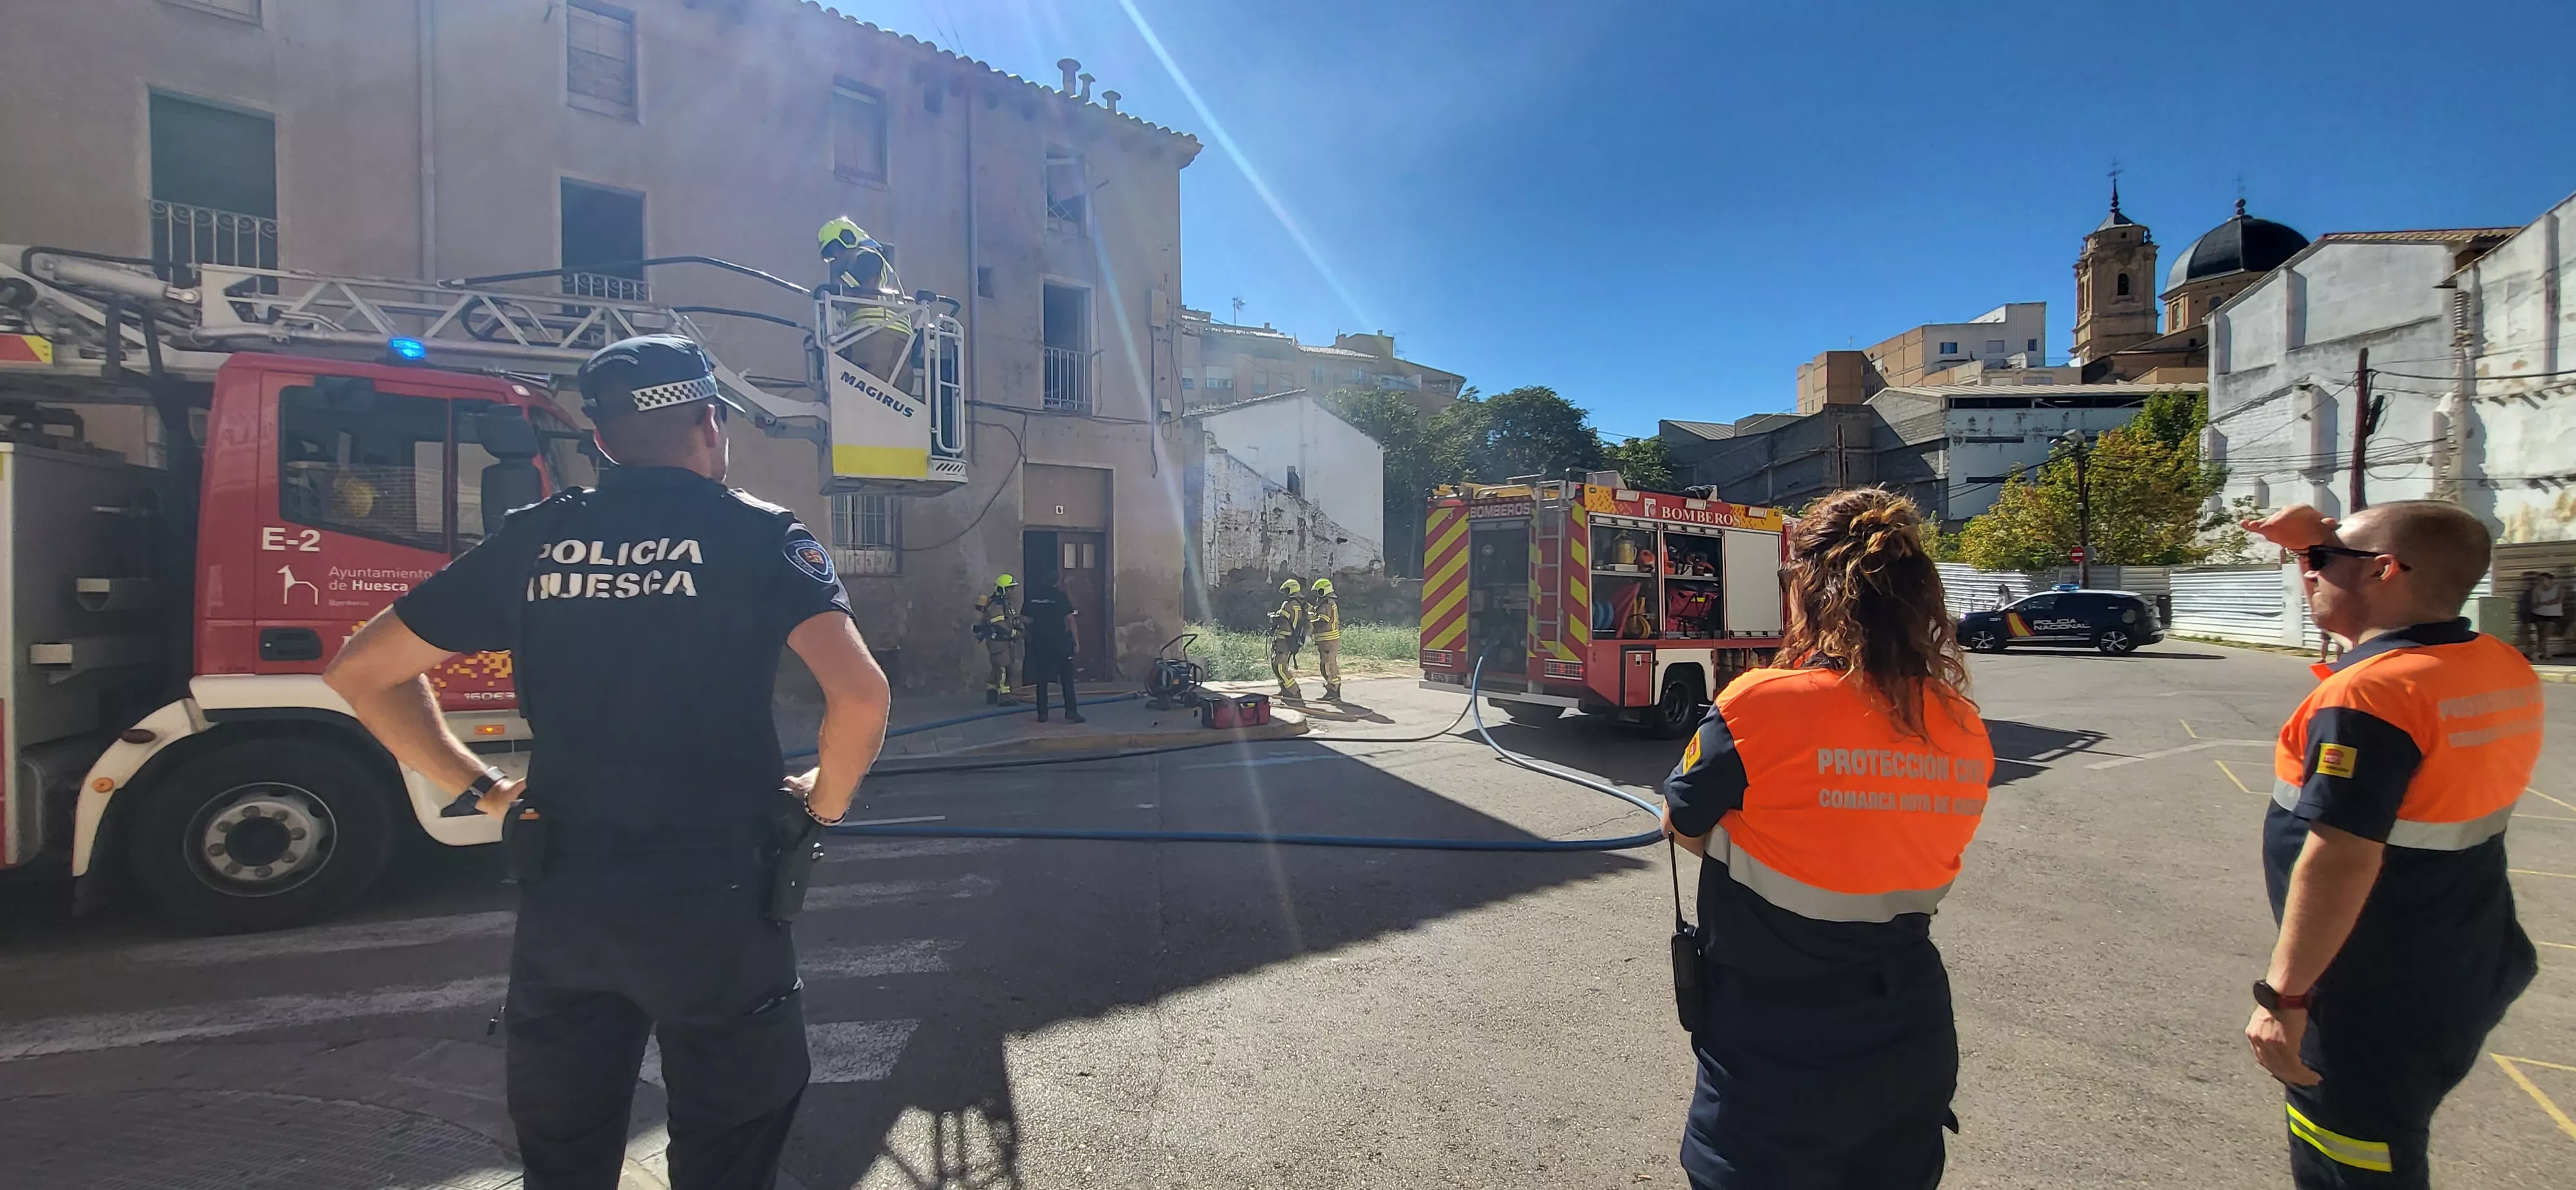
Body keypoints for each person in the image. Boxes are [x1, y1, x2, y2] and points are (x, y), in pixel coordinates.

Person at [321, 334, 893, 1190]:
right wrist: (823, 804)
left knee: (564, 1146)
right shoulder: (755, 534)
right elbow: (861, 695)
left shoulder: (536, 538)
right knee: (731, 1141)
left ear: (599, 438)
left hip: (566, 898)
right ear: (709, 421)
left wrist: (486, 793)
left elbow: (360, 672)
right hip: (717, 899)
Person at [1660, 487, 1993, 1190]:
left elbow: (1681, 824)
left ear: (1810, 590)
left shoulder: (1759, 704)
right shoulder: (1963, 724)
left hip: (1772, 1051)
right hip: (1906, 1039)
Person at [2238, 502, 2539, 1189]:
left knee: (2353, 1161)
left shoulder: (2373, 695)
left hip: (2370, 989)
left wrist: (2284, 998)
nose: (2310, 573)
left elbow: (2341, 856)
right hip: (2462, 953)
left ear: (2383, 571)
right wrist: (2319, 546)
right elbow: (2372, 616)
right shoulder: (2490, 662)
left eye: (2324, 561)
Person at [818, 216, 912, 386]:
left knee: (869, 388)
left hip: (875, 330)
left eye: (835, 248)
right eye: (830, 253)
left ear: (849, 239)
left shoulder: (865, 256)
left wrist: (830, 294)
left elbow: (856, 290)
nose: (835, 256)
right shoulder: (871, 261)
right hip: (897, 332)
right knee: (893, 393)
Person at [1018, 574, 1084, 723]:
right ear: (1056, 582)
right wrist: (1076, 642)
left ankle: (1042, 714)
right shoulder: (1060, 597)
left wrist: (1036, 623)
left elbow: (1024, 618)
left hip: (1040, 643)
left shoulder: (1034, 597)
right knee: (1067, 679)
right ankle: (1071, 712)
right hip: (1059, 642)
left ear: (1043, 580)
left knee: (1042, 680)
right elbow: (1070, 619)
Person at [974, 574, 1023, 706]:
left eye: (1012, 589)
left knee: (997, 668)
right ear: (1001, 589)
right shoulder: (996, 605)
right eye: (1009, 589)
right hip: (998, 642)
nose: (1011, 592)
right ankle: (1004, 696)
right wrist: (1013, 633)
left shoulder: (1005, 603)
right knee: (1003, 668)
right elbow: (999, 624)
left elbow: (1011, 619)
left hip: (1003, 642)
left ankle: (992, 693)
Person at [1269, 578, 1307, 701]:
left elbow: (1282, 619)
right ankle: (1285, 690)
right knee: (1276, 665)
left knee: (1280, 667)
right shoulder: (1300, 605)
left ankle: (1295, 691)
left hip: (1284, 639)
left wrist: (1273, 617)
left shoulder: (1288, 604)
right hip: (1290, 639)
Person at [1308, 577, 1344, 702]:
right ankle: (1332, 690)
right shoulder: (1327, 603)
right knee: (1327, 665)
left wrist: (1311, 621)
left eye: (1318, 592)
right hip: (1326, 640)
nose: (1317, 595)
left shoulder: (1327, 604)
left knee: (1328, 666)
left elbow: (1322, 621)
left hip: (1328, 640)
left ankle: (1334, 691)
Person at [2524, 569, 2562, 659]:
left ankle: (2537, 653)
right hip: (2539, 614)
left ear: (2550, 580)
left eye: (2543, 579)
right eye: (2539, 580)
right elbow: (2535, 603)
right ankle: (2546, 653)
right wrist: (2542, 604)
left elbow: (2558, 600)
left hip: (2553, 614)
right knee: (2541, 635)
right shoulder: (2537, 590)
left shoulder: (2558, 588)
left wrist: (2543, 603)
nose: (2540, 582)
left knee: (2546, 634)